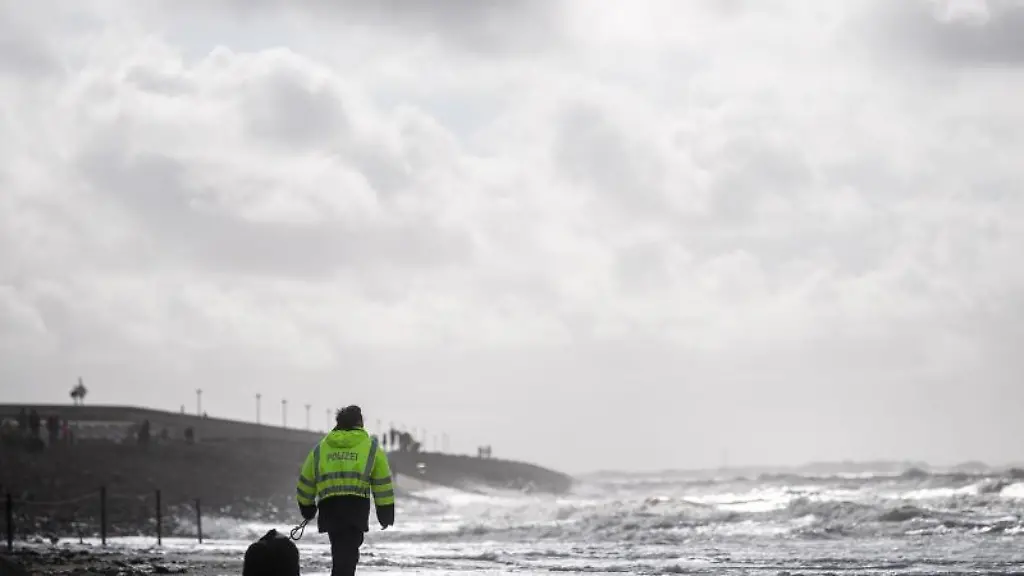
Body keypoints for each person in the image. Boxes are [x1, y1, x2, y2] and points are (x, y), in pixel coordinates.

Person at [296, 405, 395, 576]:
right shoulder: (371, 447)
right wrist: (385, 512)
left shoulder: (321, 448)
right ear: (360, 422)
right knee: (347, 557)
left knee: (341, 552)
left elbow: (306, 480)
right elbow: (382, 484)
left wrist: (307, 507)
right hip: (355, 508)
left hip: (329, 508)